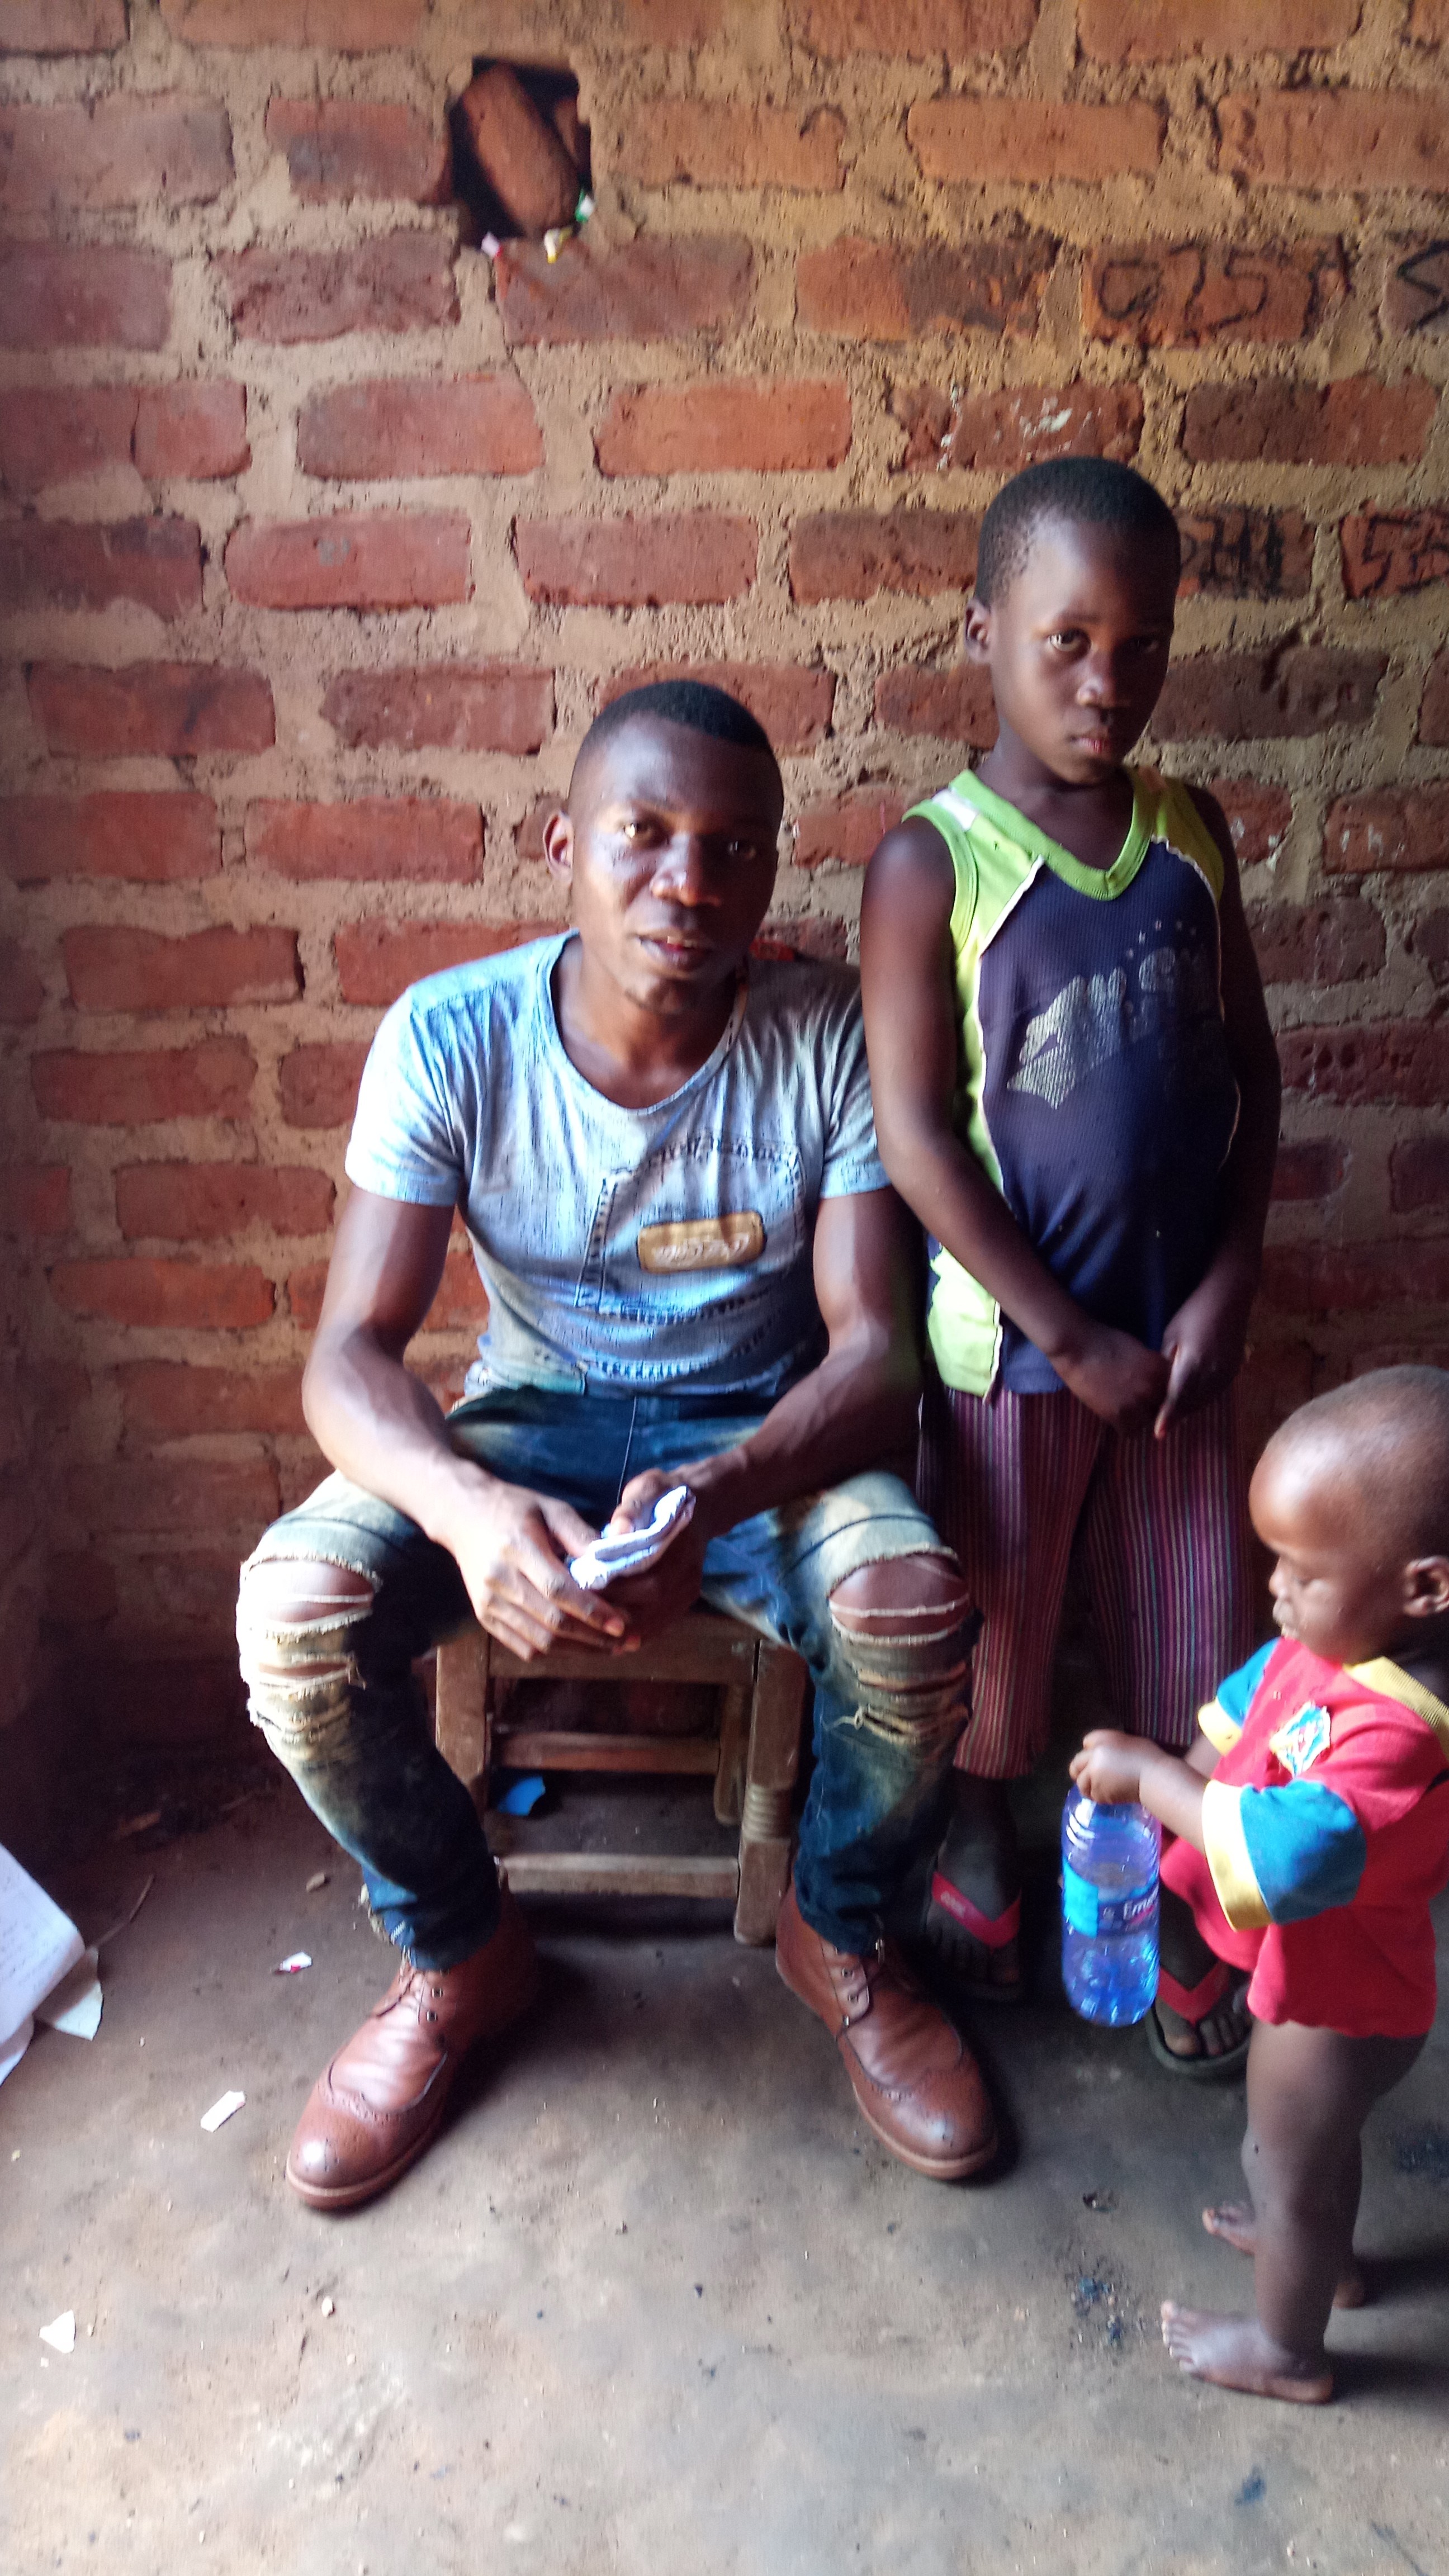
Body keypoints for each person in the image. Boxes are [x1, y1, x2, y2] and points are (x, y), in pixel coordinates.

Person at [235, 679, 996, 2213]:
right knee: (294, 1620)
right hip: (530, 1421)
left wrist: (718, 1491)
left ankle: (841, 1934)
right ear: (564, 843)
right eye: (644, 834)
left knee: (913, 1614)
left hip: (762, 1433)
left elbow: (876, 1354)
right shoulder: (453, 1034)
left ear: (770, 869)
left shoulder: (823, 1034)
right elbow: (349, 1357)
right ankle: (461, 1956)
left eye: (732, 848)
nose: (687, 883)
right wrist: (468, 1509)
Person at [859, 457, 1281, 2064]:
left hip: (1182, 1353)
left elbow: (1254, 1071)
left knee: (1195, 1632)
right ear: (985, 631)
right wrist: (1067, 1334)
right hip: (1012, 1361)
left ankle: (1179, 1894)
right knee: (1003, 1640)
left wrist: (1231, 1280)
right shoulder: (933, 864)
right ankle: (982, 1847)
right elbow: (918, 1142)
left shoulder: (1192, 834)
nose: (1110, 681)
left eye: (1144, 643)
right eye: (1068, 642)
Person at [1070, 1368, 1449, 2402]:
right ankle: (1326, 2260)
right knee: (1312, 2155)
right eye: (1275, 1558)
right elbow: (1256, 1704)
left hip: (1340, 2005)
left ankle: (1290, 2352)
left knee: (1278, 2164)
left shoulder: (1401, 1735)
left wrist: (1157, 1780)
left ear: (1425, 1588)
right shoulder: (1348, 1641)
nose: (1276, 1589)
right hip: (1337, 1979)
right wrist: (1175, 1781)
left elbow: (1287, 1860)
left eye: (1304, 1572)